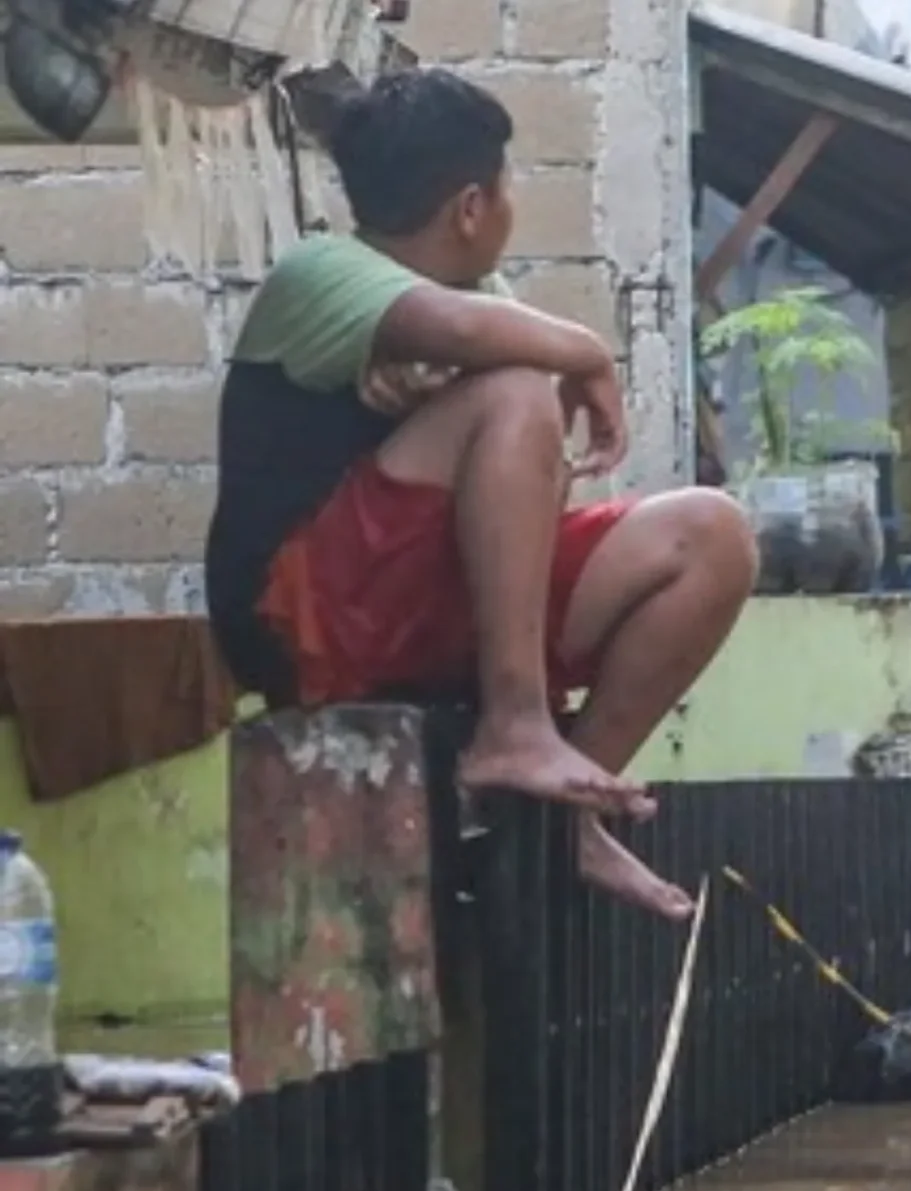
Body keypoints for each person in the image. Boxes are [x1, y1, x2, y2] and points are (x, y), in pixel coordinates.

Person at [204, 68, 756, 920]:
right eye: (508, 183)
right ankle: (515, 725)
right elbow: (481, 352)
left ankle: (562, 813)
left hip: (432, 603)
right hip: (306, 621)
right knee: (518, 389)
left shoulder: (482, 305)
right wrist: (585, 355)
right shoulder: (320, 271)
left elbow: (522, 463)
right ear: (471, 206)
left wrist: (484, 382)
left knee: (710, 536)